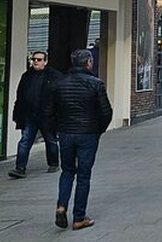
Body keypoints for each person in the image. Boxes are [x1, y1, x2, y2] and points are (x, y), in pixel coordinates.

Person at [45, 49, 113, 231]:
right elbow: (106, 112)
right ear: (89, 62)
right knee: (83, 175)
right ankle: (79, 217)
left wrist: (56, 131)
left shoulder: (58, 84)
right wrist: (99, 130)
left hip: (66, 133)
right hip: (88, 134)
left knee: (67, 171)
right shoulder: (96, 83)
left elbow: (49, 112)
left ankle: (61, 206)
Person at [9, 51, 60, 179]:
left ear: (45, 61)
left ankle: (53, 163)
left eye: (39, 59)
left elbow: (59, 96)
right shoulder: (26, 76)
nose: (36, 62)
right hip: (29, 115)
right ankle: (20, 168)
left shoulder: (54, 76)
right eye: (34, 59)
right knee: (25, 141)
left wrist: (57, 114)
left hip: (47, 116)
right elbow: (20, 95)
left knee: (51, 140)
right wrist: (17, 114)